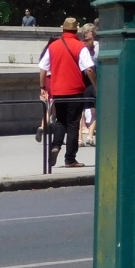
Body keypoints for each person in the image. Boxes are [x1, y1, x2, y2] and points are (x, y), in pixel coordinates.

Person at [39, 18, 95, 168]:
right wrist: (96, 85)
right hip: (75, 91)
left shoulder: (53, 46)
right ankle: (70, 158)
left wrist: (43, 87)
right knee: (73, 125)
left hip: (58, 91)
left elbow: (43, 69)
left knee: (60, 121)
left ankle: (55, 146)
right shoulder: (80, 46)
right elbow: (89, 69)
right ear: (76, 30)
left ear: (63, 30)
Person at [80, 22, 98, 146]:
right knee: (96, 108)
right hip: (92, 80)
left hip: (81, 79)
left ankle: (80, 137)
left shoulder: (79, 46)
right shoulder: (97, 46)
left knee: (80, 109)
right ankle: (90, 135)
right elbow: (90, 69)